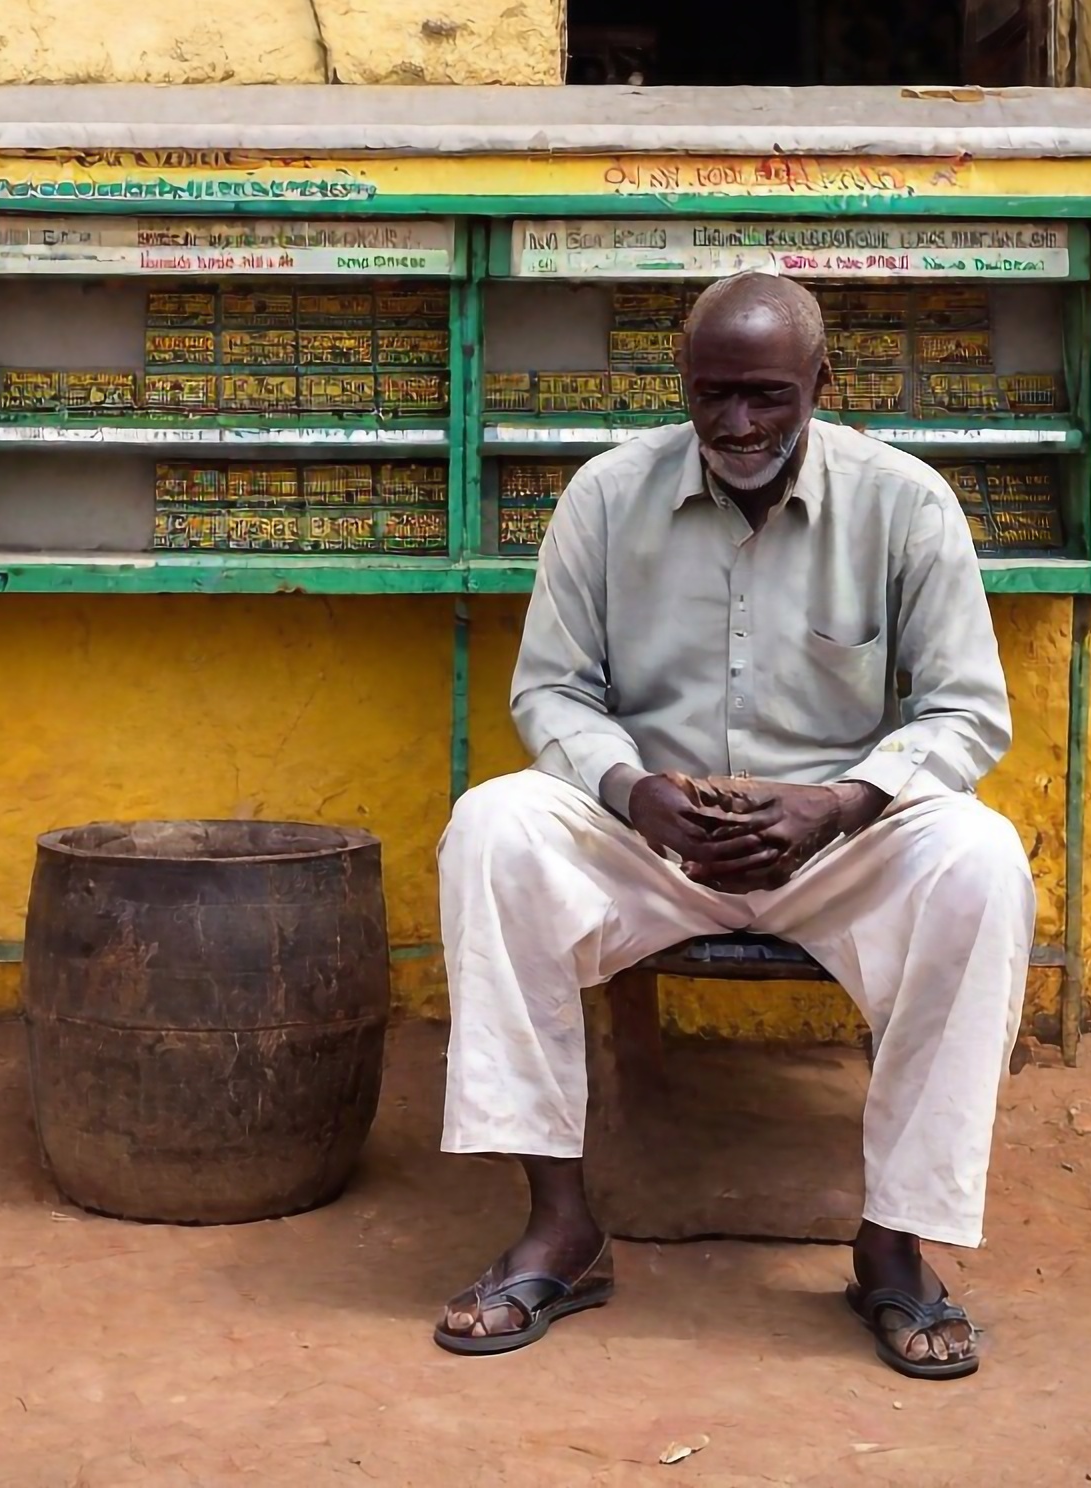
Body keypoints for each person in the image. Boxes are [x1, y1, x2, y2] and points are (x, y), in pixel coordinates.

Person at [432, 272, 1034, 1378]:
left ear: (819, 381)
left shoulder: (903, 500)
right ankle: (561, 1226)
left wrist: (839, 801)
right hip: (649, 843)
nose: (736, 423)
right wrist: (629, 788)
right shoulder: (607, 496)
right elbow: (549, 692)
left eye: (765, 395)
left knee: (979, 858)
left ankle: (893, 1243)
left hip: (833, 844)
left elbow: (965, 708)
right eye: (711, 394)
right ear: (683, 385)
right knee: (493, 825)